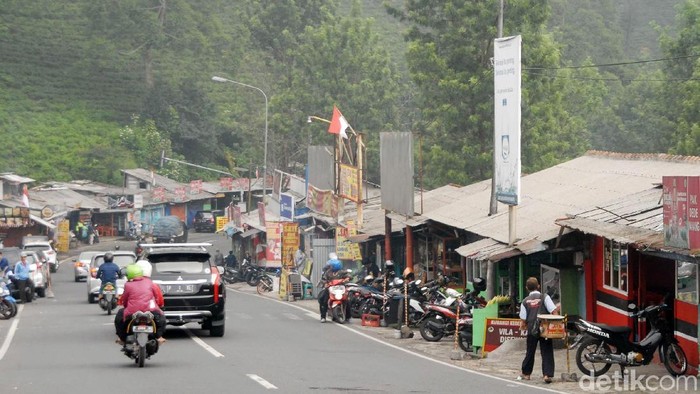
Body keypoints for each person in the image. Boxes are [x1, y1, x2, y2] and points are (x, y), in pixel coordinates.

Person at [114, 264, 166, 346]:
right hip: (151, 311)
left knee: (119, 318)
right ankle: (159, 337)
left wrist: (125, 306)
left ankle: (121, 338)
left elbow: (124, 300)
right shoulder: (150, 282)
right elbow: (157, 296)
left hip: (132, 312)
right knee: (162, 318)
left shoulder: (128, 285)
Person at [518, 277, 558, 384]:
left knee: (530, 351)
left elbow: (523, 319)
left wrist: (524, 326)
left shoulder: (525, 301)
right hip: (545, 328)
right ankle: (547, 374)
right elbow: (554, 311)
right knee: (547, 351)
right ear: (539, 286)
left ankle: (526, 374)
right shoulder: (545, 297)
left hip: (532, 329)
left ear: (527, 288)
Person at [318, 253, 345, 323]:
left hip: (340, 289)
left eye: (331, 266)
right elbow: (323, 279)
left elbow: (349, 276)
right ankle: (323, 317)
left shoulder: (342, 272)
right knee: (323, 299)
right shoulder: (328, 272)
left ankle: (347, 315)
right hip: (330, 289)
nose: (330, 267)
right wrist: (325, 283)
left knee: (347, 299)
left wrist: (347, 279)